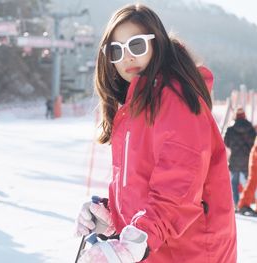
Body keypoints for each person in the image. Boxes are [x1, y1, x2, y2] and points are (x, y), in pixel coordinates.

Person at [75, 4, 236, 263]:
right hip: (157, 251)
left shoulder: (174, 99)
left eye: (136, 45)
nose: (126, 57)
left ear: (157, 44)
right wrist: (111, 215)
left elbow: (178, 185)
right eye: (116, 50)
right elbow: (141, 186)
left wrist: (140, 238)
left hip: (188, 252)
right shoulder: (135, 107)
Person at [224, 107, 256, 208]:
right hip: (247, 160)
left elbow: (226, 143)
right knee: (250, 182)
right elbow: (253, 143)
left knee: (234, 183)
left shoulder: (230, 128)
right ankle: (249, 202)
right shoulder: (250, 128)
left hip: (234, 160)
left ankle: (236, 204)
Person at [237, 137, 257, 216]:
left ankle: (243, 204)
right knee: (252, 182)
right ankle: (243, 204)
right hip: (255, 160)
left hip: (254, 158)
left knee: (252, 182)